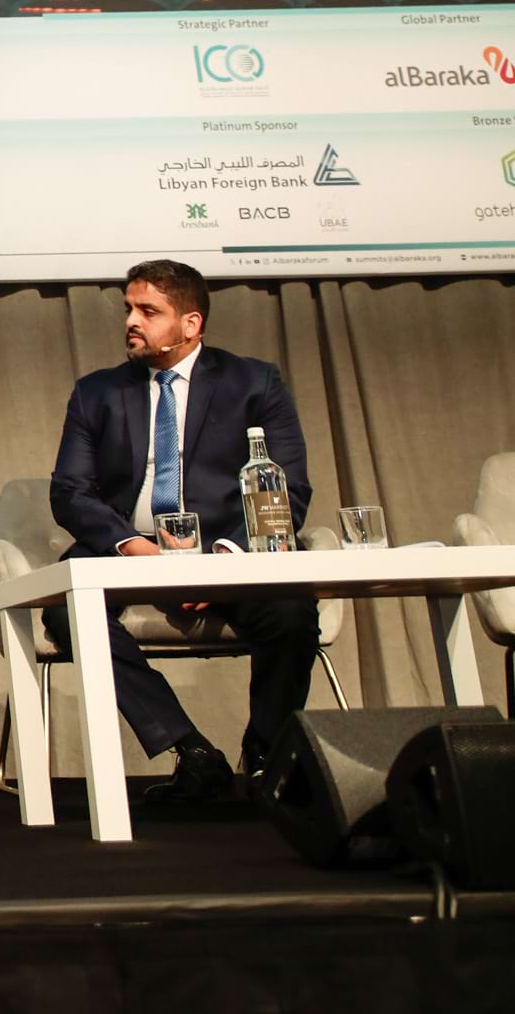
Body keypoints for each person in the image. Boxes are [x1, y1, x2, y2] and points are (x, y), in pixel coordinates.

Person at [47, 258, 318, 803]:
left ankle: (266, 759)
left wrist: (219, 561)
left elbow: (287, 491)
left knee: (291, 610)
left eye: (148, 311)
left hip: (224, 552)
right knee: (65, 608)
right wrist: (136, 548)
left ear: (190, 323)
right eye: (129, 309)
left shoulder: (254, 382)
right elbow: (70, 492)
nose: (132, 321)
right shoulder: (97, 392)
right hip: (128, 551)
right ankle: (191, 750)